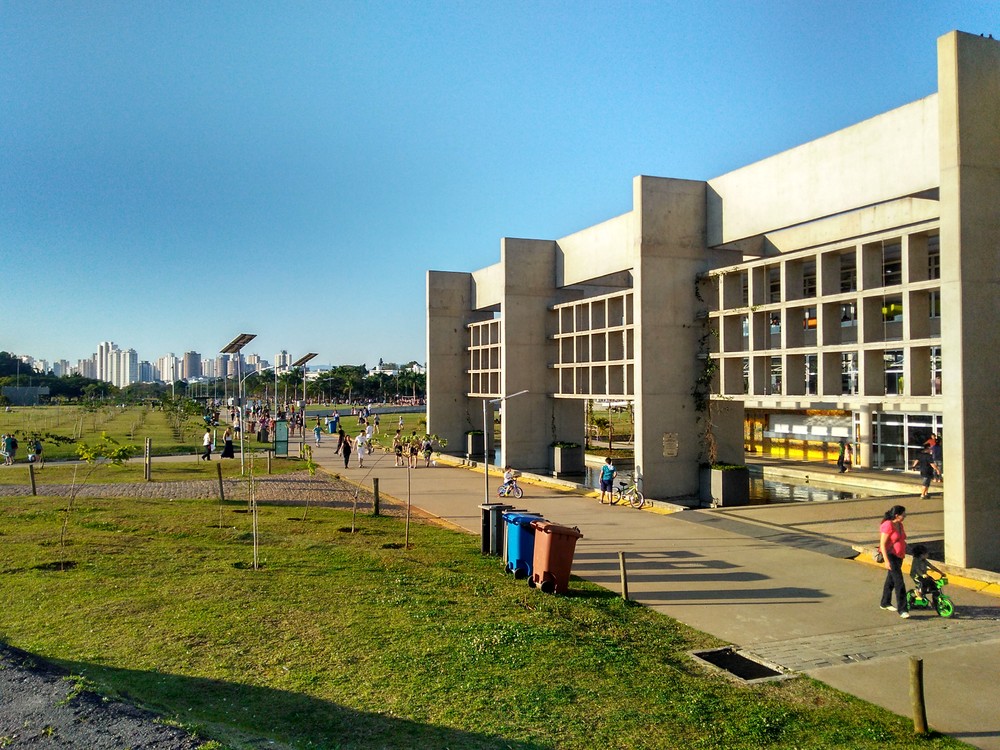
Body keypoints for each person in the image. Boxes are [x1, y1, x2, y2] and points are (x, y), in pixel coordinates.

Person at [878, 505, 909, 618]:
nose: (905, 516)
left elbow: (901, 539)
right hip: (891, 556)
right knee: (899, 582)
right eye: (903, 514)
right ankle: (903, 609)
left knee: (890, 581)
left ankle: (885, 602)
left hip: (899, 556)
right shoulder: (888, 525)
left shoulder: (900, 525)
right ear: (897, 515)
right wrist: (886, 561)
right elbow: (882, 544)